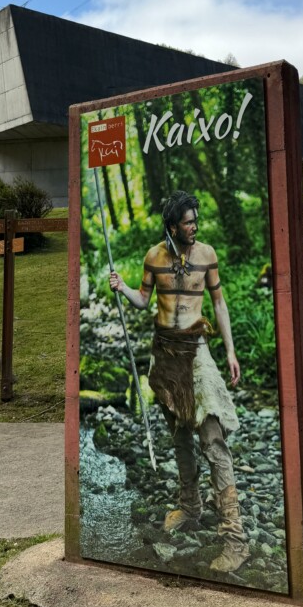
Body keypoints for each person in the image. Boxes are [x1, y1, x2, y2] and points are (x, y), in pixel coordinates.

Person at [109, 189, 250, 574]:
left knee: (212, 437)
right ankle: (191, 507)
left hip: (196, 351)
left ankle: (235, 539)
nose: (194, 227)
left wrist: (231, 352)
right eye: (188, 222)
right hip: (165, 353)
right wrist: (122, 288)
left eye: (195, 221)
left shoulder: (206, 255)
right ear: (172, 226)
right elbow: (144, 299)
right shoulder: (154, 257)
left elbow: (218, 303)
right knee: (179, 434)